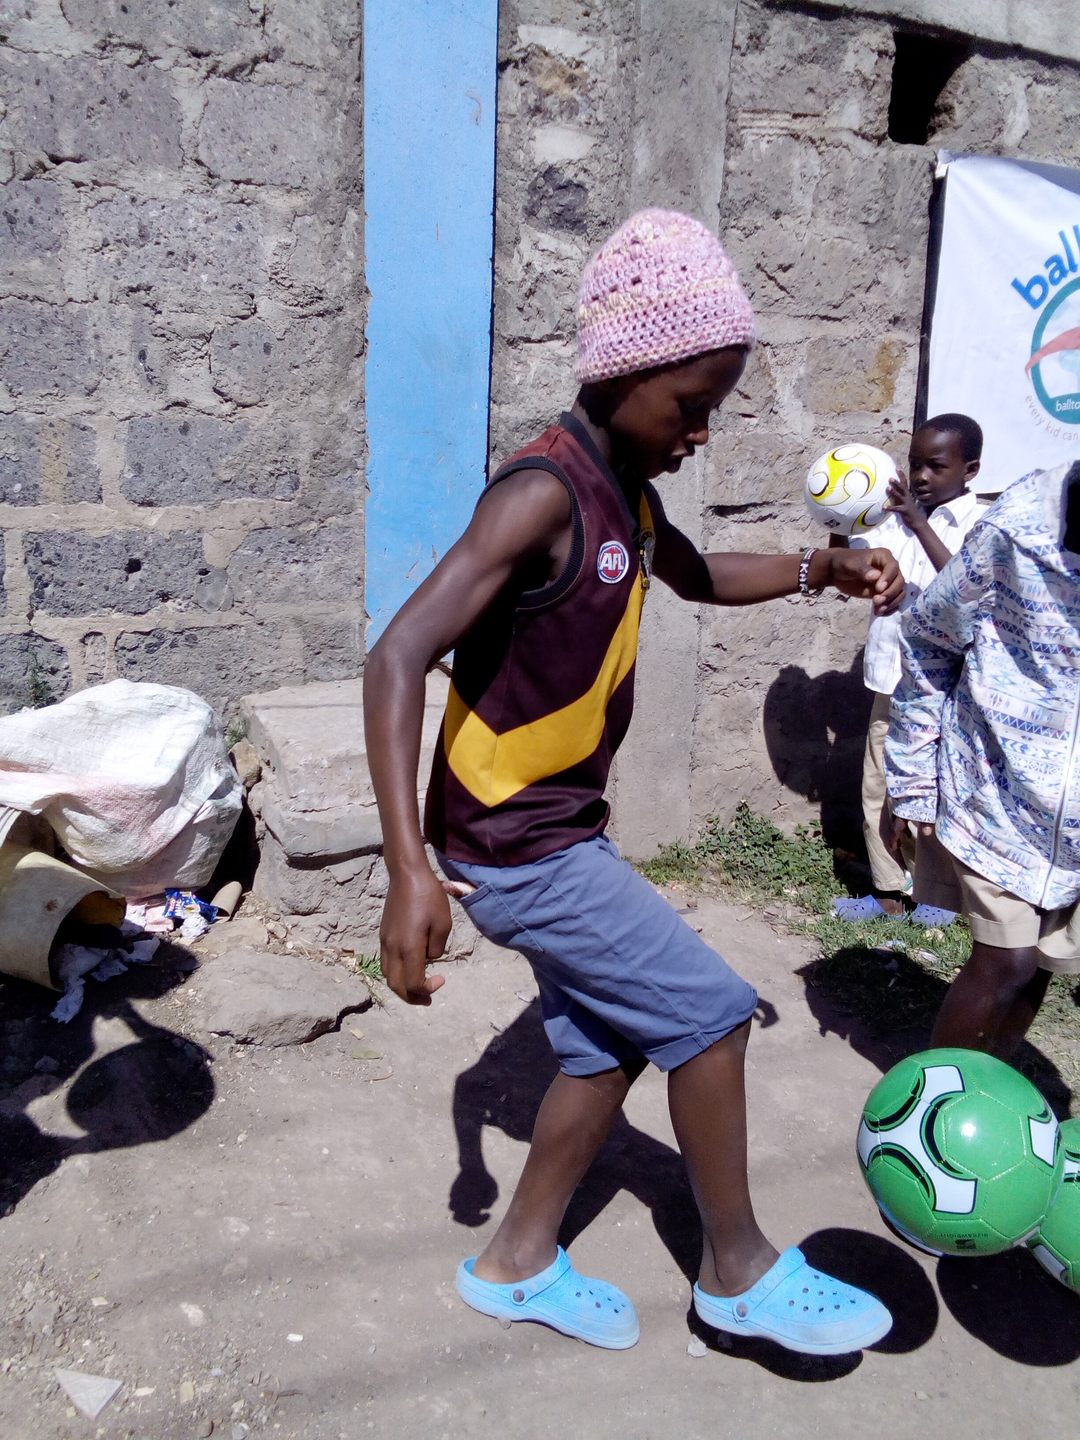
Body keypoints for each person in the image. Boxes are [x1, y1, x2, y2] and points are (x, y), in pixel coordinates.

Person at [363, 209, 900, 1355]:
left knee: (602, 1047)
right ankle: (738, 1273)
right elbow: (397, 654)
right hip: (518, 846)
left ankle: (514, 1262)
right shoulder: (542, 494)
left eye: (715, 408)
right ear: (622, 372)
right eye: (690, 403)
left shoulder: (630, 496)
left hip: (557, 832)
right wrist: (406, 868)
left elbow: (697, 574)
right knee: (709, 1020)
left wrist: (821, 566)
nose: (701, 430)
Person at [884, 457, 1080, 1056]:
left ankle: (992, 1087)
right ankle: (939, 1096)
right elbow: (928, 640)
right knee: (1006, 961)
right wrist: (913, 781)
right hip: (997, 790)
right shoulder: (1015, 531)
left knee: (1040, 964)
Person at [829, 414, 983, 924]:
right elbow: (850, 571)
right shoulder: (891, 520)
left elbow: (962, 588)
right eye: (914, 464)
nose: (920, 476)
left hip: (946, 690)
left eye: (935, 466)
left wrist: (919, 522)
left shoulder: (979, 525)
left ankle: (936, 896)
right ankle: (888, 891)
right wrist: (839, 521)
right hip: (892, 681)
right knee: (878, 784)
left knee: (934, 791)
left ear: (970, 470)